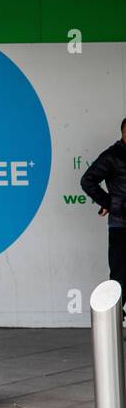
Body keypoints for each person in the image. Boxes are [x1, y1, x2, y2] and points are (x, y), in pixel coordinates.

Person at [80, 119, 126, 302]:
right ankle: (114, 326)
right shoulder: (112, 156)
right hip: (121, 225)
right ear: (123, 133)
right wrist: (109, 202)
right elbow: (87, 180)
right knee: (120, 277)